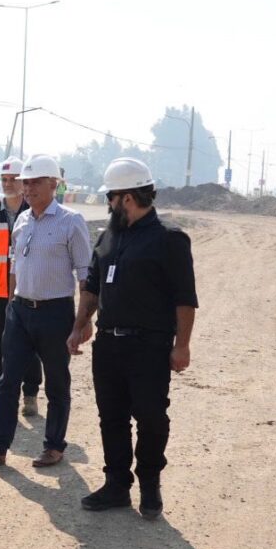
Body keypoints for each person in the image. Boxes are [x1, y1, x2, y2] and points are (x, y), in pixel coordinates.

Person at [68, 157, 198, 521]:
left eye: (111, 198)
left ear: (126, 198)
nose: (108, 205)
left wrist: (182, 344)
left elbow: (185, 299)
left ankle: (150, 484)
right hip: (108, 345)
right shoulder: (109, 237)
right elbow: (92, 288)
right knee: (111, 417)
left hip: (149, 347)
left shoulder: (169, 240)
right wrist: (80, 325)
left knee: (152, 418)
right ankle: (116, 486)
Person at [0, 154, 93, 469]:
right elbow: (16, 264)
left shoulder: (71, 221)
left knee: (56, 382)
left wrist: (82, 322)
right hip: (20, 311)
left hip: (55, 313)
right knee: (7, 381)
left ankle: (54, 446)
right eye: (26, 182)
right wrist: (13, 301)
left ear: (54, 183)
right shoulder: (23, 221)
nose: (28, 188)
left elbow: (85, 276)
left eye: (36, 181)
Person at [0, 157, 43, 415]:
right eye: (4, 179)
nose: (8, 184)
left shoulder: (34, 213)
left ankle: (30, 393)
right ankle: (1, 388)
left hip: (25, 288)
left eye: (13, 179)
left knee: (28, 343)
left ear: (23, 182)